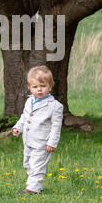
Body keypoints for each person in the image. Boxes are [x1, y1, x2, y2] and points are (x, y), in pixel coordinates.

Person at [12, 65, 63, 194]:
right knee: (28, 164)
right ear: (29, 87)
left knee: (37, 165)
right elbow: (25, 116)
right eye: (35, 87)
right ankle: (37, 185)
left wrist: (52, 143)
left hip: (42, 142)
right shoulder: (29, 101)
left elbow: (56, 127)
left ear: (50, 87)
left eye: (43, 86)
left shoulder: (54, 106)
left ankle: (31, 189)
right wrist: (18, 127)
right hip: (28, 140)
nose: (39, 90)